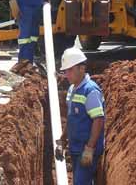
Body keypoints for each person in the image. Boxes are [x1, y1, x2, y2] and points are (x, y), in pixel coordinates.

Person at [55, 47, 105, 185]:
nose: (67, 74)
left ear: (81, 68)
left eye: (70, 70)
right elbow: (71, 118)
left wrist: (90, 148)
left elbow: (98, 120)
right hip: (76, 147)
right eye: (65, 71)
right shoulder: (72, 89)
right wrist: (62, 140)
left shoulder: (90, 90)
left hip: (87, 149)